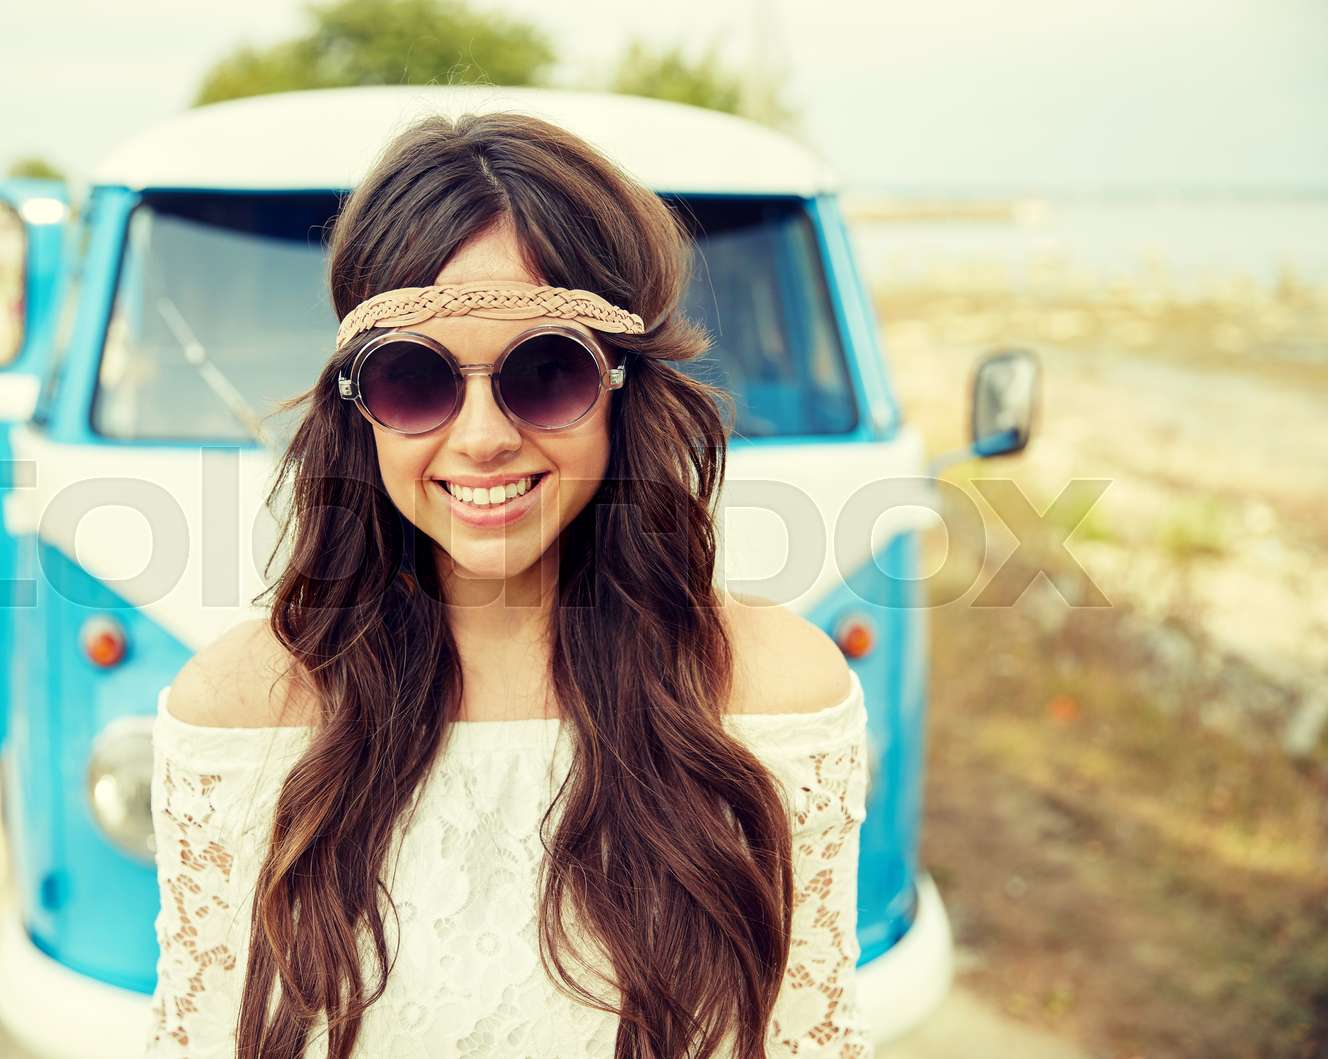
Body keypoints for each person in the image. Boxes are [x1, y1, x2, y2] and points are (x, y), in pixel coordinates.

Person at [144, 109, 873, 1059]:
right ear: (360, 410)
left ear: (622, 388)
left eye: (545, 371)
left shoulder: (775, 694)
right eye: (415, 379)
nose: (483, 435)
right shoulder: (240, 710)